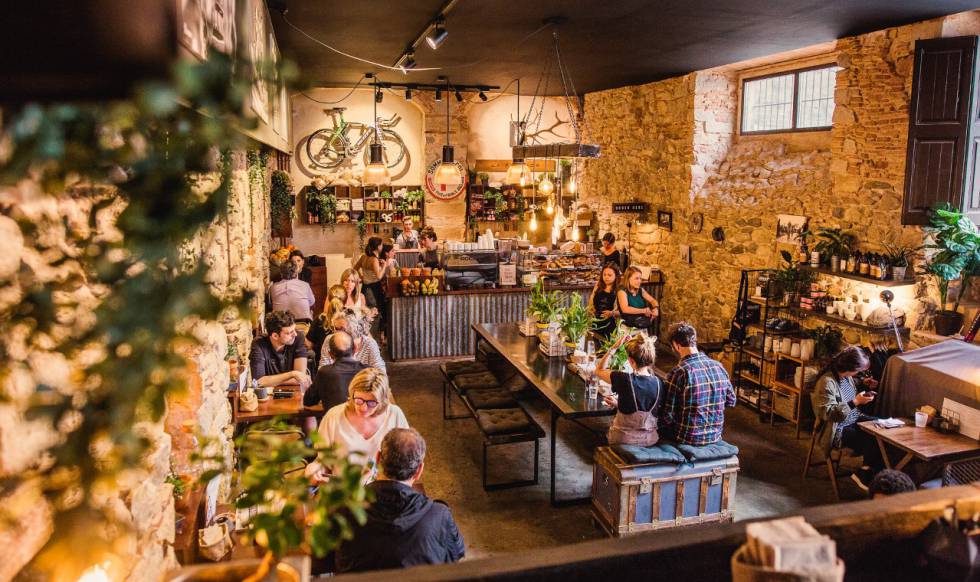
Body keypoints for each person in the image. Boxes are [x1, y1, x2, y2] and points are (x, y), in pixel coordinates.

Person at [335, 428, 465, 573]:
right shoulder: (439, 515)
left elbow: (333, 559)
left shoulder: (346, 509)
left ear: (377, 459)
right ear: (419, 470)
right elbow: (456, 553)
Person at [308, 368, 409, 480]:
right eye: (359, 400)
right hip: (345, 487)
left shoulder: (394, 415)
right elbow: (323, 462)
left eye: (371, 403)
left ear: (382, 401)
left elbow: (406, 460)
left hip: (385, 488)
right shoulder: (333, 417)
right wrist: (314, 470)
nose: (363, 408)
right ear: (352, 394)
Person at [811, 346, 883, 491]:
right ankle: (864, 472)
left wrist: (864, 382)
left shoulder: (846, 377)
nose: (859, 373)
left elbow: (850, 386)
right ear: (850, 368)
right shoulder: (826, 382)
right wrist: (855, 402)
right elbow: (829, 414)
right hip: (837, 428)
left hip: (854, 418)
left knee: (881, 426)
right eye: (859, 370)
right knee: (872, 437)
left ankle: (870, 471)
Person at [660, 322, 736, 446]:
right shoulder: (719, 367)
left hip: (686, 437)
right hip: (715, 435)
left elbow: (668, 415)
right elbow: (731, 401)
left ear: (676, 345)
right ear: (694, 340)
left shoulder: (679, 372)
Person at [594, 333, 664, 446]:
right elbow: (644, 409)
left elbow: (598, 370)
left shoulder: (624, 379)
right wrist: (619, 404)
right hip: (649, 440)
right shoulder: (659, 382)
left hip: (623, 440)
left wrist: (614, 348)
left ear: (631, 361)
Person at [304, 331, 368, 411]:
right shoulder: (368, 372)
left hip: (335, 418)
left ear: (330, 354)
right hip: (364, 418)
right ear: (355, 348)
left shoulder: (325, 372)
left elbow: (308, 401)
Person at [249, 310, 312, 389]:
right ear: (275, 336)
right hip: (269, 393)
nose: (295, 334)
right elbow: (258, 381)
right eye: (289, 332)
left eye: (294, 330)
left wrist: (270, 381)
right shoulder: (259, 344)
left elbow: (300, 377)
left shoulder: (298, 338)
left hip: (294, 391)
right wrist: (292, 374)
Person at [319, 309, 386, 373]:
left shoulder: (369, 343)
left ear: (353, 329)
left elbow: (380, 371)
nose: (338, 333)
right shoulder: (329, 340)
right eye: (336, 329)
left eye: (342, 329)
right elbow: (323, 368)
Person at [269, 261, 315, 332]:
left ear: (281, 273)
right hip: (303, 326)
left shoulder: (273, 288)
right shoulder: (305, 285)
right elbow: (312, 302)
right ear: (296, 271)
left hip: (281, 329)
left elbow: (271, 304)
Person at [617, 266, 659, 331]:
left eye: (640, 278)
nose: (639, 281)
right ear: (628, 279)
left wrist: (656, 308)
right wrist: (644, 310)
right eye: (636, 278)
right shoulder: (622, 291)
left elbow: (653, 300)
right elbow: (625, 309)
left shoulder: (640, 290)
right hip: (628, 328)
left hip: (641, 324)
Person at [589, 263, 621, 338]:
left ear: (616, 276)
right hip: (596, 323)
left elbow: (624, 312)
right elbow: (591, 302)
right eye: (604, 274)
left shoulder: (619, 290)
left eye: (609, 275)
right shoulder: (598, 285)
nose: (606, 277)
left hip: (611, 326)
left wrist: (612, 313)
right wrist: (591, 312)